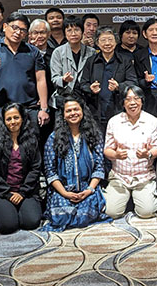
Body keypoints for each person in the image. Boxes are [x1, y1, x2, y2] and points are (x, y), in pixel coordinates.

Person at [41, 96, 110, 231]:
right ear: (63, 115)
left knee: (86, 214)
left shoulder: (94, 135)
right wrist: (65, 194)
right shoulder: (53, 138)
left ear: (83, 111)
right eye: (69, 111)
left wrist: (89, 190)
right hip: (63, 189)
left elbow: (99, 166)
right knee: (61, 216)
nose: (73, 113)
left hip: (87, 188)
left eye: (76, 109)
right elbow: (50, 171)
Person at [0, 12, 50, 137]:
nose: (18, 33)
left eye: (23, 30)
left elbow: (41, 80)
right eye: (15, 28)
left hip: (28, 109)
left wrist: (43, 109)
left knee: (29, 150)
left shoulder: (33, 51)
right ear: (5, 26)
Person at [103, 85, 157, 219]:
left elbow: (156, 148)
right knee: (111, 212)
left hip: (144, 177)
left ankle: (141, 198)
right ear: (123, 102)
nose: (132, 103)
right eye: (128, 99)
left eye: (136, 98)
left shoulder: (152, 121)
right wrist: (116, 155)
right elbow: (107, 150)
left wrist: (148, 154)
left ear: (142, 101)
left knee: (146, 212)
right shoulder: (114, 121)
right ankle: (123, 198)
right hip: (120, 176)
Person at [0, 103, 43, 234]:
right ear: (3, 121)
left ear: (22, 118)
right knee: (8, 226)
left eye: (16, 118)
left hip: (25, 191)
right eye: (8, 119)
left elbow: (35, 169)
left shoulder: (31, 140)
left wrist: (22, 192)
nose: (12, 122)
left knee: (31, 222)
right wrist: (8, 193)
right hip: (1, 192)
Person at [79, 26, 138, 131]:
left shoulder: (125, 60)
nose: (107, 43)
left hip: (119, 110)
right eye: (103, 40)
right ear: (97, 43)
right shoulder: (91, 61)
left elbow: (133, 82)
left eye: (110, 40)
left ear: (116, 42)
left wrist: (119, 87)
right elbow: (83, 84)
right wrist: (90, 88)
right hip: (96, 110)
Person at [50, 16, 96, 103]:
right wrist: (63, 79)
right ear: (64, 33)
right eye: (69, 30)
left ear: (82, 32)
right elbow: (55, 79)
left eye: (77, 30)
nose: (73, 34)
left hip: (87, 97)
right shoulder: (58, 52)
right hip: (65, 97)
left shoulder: (92, 52)